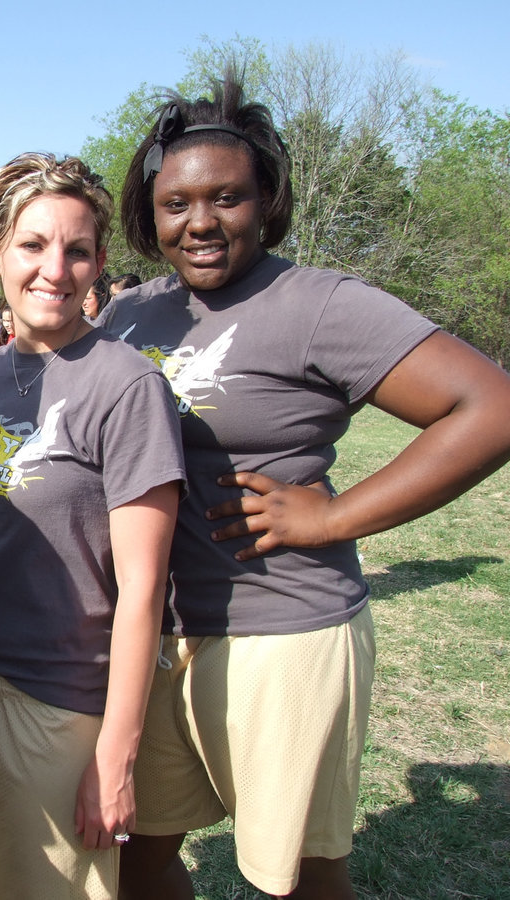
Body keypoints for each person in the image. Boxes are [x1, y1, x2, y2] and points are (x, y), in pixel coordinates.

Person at [105, 72, 510, 900]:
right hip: (152, 638)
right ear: (149, 215)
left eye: (229, 198)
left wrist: (334, 517)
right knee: (136, 858)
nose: (202, 223)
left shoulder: (320, 304)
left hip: (282, 632)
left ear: (268, 201)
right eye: (177, 204)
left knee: (294, 876)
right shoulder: (130, 316)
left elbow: (491, 407)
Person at [0, 152, 185, 899]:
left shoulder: (126, 385)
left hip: (51, 708)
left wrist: (116, 756)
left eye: (77, 250)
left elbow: (143, 591)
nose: (54, 270)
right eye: (33, 245)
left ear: (99, 263)